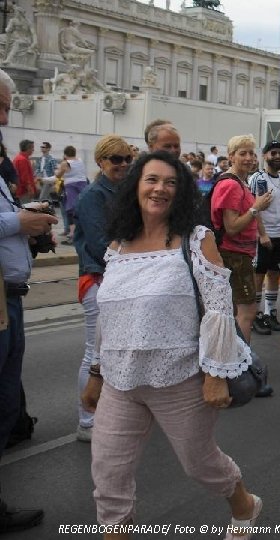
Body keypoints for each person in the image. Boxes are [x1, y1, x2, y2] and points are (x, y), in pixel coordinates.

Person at [80, 151, 261, 539]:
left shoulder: (196, 240)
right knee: (108, 475)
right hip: (119, 383)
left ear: (180, 193)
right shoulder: (118, 246)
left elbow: (218, 310)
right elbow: (108, 318)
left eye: (171, 182)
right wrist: (96, 373)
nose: (160, 188)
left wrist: (215, 374)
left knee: (200, 465)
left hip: (180, 380)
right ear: (135, 187)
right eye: (151, 180)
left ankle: (244, 504)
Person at [0, 67, 55, 536]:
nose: (4, 117)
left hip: (10, 295)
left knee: (5, 396)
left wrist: (24, 217)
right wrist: (19, 223)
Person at [71, 134, 133, 443]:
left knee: (113, 352)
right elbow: (98, 245)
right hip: (98, 279)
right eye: (115, 159)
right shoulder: (93, 195)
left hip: (118, 279)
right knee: (93, 354)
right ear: (100, 162)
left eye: (126, 159)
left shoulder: (125, 191)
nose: (122, 165)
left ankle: (108, 414)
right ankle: (86, 420)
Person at [209, 135, 272, 344]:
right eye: (242, 153)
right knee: (247, 311)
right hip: (234, 254)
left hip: (237, 254)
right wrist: (256, 208)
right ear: (231, 157)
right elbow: (232, 227)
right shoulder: (232, 185)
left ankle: (233, 360)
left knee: (236, 310)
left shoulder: (239, 182)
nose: (249, 158)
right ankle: (243, 364)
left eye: (251, 153)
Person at [247, 141, 280, 337]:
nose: (277, 156)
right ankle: (255, 315)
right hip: (262, 236)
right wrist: (262, 233)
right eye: (273, 152)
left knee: (274, 274)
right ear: (264, 155)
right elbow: (254, 208)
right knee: (259, 276)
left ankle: (270, 313)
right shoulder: (258, 179)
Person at [56, 144, 88, 244]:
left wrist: (58, 170)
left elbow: (58, 175)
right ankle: (82, 234)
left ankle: (73, 235)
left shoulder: (65, 163)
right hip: (83, 185)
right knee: (82, 209)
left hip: (71, 187)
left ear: (65, 154)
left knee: (71, 210)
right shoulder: (80, 161)